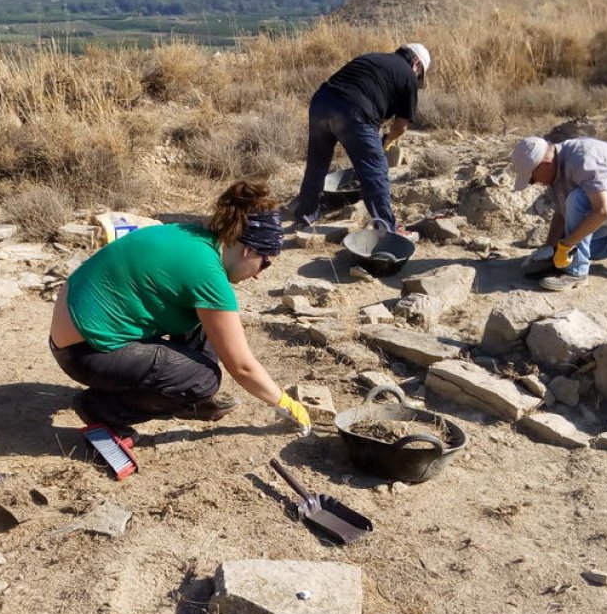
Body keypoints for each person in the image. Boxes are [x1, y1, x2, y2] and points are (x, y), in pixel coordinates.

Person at [50, 181, 313, 438]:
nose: (259, 276)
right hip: (84, 352)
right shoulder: (206, 273)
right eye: (264, 264)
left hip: (79, 331)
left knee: (208, 324)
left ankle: (188, 400)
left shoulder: (195, 237)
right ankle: (102, 408)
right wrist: (285, 403)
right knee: (203, 380)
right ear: (247, 250)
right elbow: (242, 366)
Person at [291, 43, 431, 233]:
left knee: (317, 162)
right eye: (419, 74)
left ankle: (305, 216)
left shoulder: (372, 59)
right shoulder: (408, 77)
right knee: (376, 168)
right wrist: (387, 141)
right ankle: (386, 229)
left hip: (321, 102)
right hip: (352, 110)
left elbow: (373, 104)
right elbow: (401, 126)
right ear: (416, 64)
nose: (417, 78)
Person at [511, 136, 607, 292]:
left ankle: (577, 273)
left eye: (532, 179)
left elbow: (602, 211)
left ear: (545, 163)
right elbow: (561, 213)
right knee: (571, 246)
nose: (534, 183)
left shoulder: (581, 159)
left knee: (578, 199)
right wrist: (550, 247)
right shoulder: (556, 169)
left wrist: (566, 245)